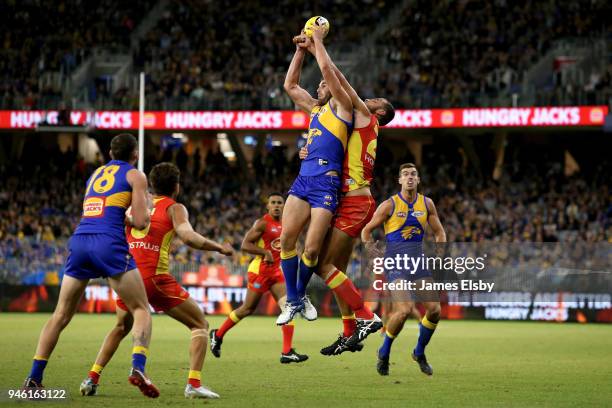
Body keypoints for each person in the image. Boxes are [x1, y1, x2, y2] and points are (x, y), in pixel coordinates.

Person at [79, 162, 232, 399]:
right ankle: (193, 384)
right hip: (154, 277)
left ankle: (92, 378)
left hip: (127, 274)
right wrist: (219, 248)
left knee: (121, 326)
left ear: (151, 184)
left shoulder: (135, 204)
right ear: (176, 187)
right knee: (200, 324)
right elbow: (188, 237)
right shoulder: (174, 207)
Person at [23, 133, 160, 398]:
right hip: (108, 242)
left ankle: (33, 379)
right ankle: (138, 367)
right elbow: (142, 222)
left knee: (60, 315)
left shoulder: (94, 175)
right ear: (136, 155)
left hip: (80, 240)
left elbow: (98, 209)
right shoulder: (136, 175)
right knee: (141, 308)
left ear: (110, 154)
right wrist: (139, 215)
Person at [297, 57, 396, 355]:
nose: (371, 97)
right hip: (348, 200)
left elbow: (334, 76)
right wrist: (310, 151)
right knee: (334, 269)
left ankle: (366, 317)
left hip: (355, 201)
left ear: (380, 111)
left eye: (378, 99)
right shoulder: (357, 123)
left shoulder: (366, 115)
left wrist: (317, 44)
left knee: (322, 264)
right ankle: (349, 333)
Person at [277, 25, 354, 325]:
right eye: (320, 85)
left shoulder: (343, 107)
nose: (322, 85)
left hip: (327, 183)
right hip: (304, 179)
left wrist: (316, 44)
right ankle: (295, 299)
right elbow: (290, 86)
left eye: (325, 84)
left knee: (311, 248)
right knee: (286, 240)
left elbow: (326, 68)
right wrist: (298, 51)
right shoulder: (314, 109)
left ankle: (298, 295)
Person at [361, 163, 446, 376]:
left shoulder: (427, 204)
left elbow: (439, 232)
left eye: (413, 174)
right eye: (406, 174)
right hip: (396, 263)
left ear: (418, 180)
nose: (410, 177)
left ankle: (419, 352)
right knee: (404, 310)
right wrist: (371, 249)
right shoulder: (389, 205)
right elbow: (366, 230)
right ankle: (384, 351)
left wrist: (439, 252)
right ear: (400, 180)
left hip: (418, 263)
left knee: (435, 310)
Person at [209, 193, 308, 364]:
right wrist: (264, 252)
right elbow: (245, 244)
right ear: (268, 206)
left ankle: (286, 351)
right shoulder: (262, 223)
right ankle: (217, 335)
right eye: (273, 203)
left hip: (277, 273)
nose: (276, 205)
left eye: (279, 203)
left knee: (289, 307)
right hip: (260, 271)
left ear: (284, 205)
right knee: (247, 309)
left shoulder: (287, 222)